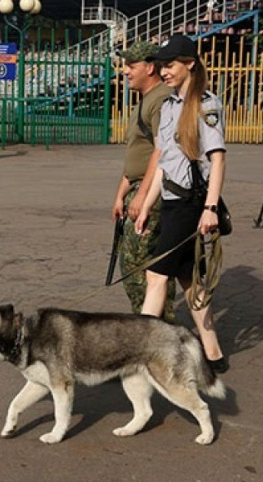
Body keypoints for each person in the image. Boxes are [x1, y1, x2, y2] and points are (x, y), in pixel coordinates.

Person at [134, 35, 229, 373]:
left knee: (156, 275)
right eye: (161, 65)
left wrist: (211, 208)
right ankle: (214, 353)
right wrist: (146, 205)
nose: (164, 71)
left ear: (190, 63)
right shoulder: (171, 106)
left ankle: (137, 352)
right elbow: (165, 163)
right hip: (173, 200)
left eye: (170, 64)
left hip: (193, 204)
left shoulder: (205, 104)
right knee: (190, 281)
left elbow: (217, 160)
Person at [110, 42, 176, 323]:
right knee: (140, 265)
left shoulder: (161, 99)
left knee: (141, 266)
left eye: (131, 66)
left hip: (152, 192)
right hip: (137, 188)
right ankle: (156, 333)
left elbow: (162, 151)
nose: (125, 71)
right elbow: (137, 154)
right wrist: (121, 194)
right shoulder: (148, 99)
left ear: (150, 67)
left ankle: (159, 333)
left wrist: (142, 196)